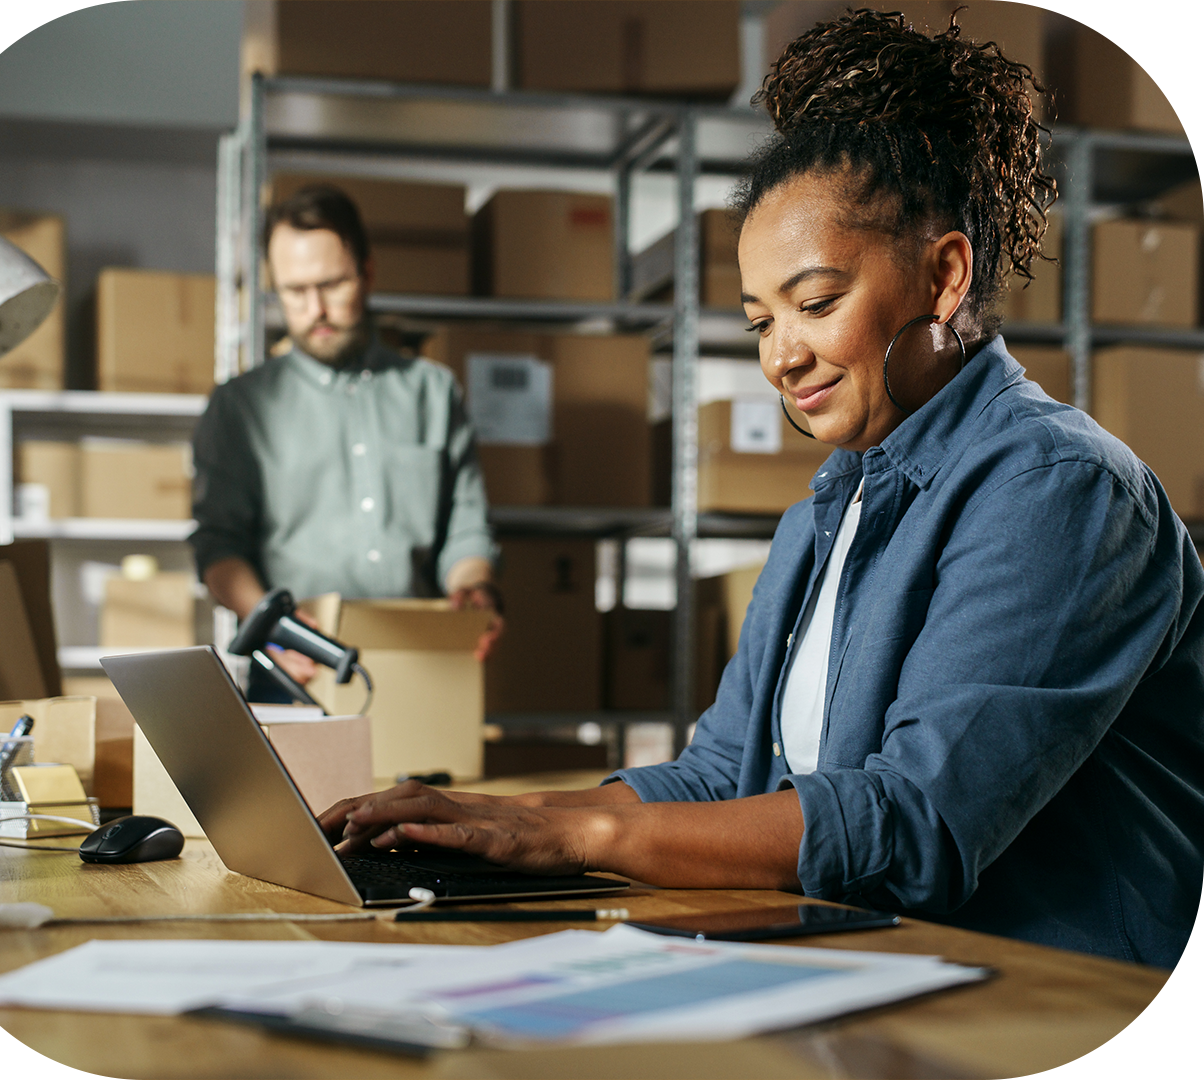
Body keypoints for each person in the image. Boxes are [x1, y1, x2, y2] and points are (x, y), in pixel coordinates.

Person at [317, 11, 1204, 967]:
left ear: (946, 274)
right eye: (758, 322)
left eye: (816, 303)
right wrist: (491, 819)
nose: (781, 356)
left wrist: (580, 836)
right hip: (899, 970)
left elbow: (914, 825)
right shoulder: (829, 512)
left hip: (1082, 1003)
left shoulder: (1059, 490)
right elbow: (717, 777)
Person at [191, 185, 502, 694]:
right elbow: (217, 546)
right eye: (294, 291)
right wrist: (271, 624)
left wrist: (474, 589)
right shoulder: (239, 407)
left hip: (421, 668)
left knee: (431, 778)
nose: (315, 309)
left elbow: (466, 530)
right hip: (297, 670)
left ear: (368, 273)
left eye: (332, 284)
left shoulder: (433, 391)